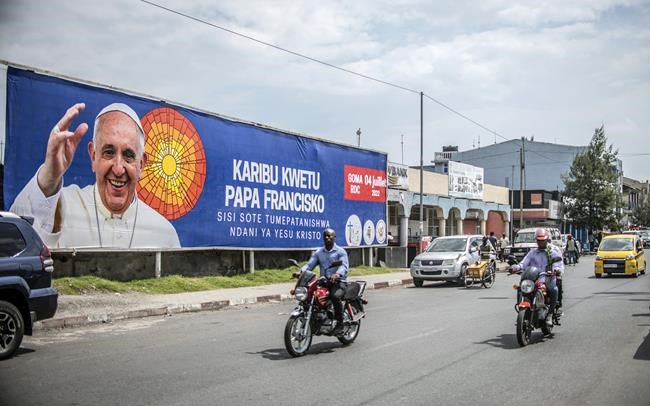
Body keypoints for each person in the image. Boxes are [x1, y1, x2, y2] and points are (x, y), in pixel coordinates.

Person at [10, 102, 180, 249]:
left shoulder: (164, 233)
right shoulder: (62, 205)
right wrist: (49, 177)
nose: (119, 169)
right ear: (93, 156)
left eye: (128, 155)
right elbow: (17, 239)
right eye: (109, 152)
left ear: (141, 164)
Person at [299, 228, 349, 335]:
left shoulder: (340, 252)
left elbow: (344, 266)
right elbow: (309, 265)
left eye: (330, 235)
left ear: (334, 237)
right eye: (325, 235)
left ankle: (340, 324)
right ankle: (315, 320)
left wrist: (337, 274)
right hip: (324, 282)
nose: (327, 237)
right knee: (310, 296)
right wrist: (300, 272)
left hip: (339, 282)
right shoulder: (319, 252)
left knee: (335, 296)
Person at [510, 228, 564, 326]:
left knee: (554, 289)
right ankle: (522, 311)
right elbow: (524, 263)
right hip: (534, 280)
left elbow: (559, 264)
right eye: (539, 240)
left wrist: (556, 271)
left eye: (542, 240)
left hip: (548, 279)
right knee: (520, 288)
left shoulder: (553, 251)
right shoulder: (533, 252)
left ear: (547, 239)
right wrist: (516, 267)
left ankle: (550, 314)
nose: (540, 242)